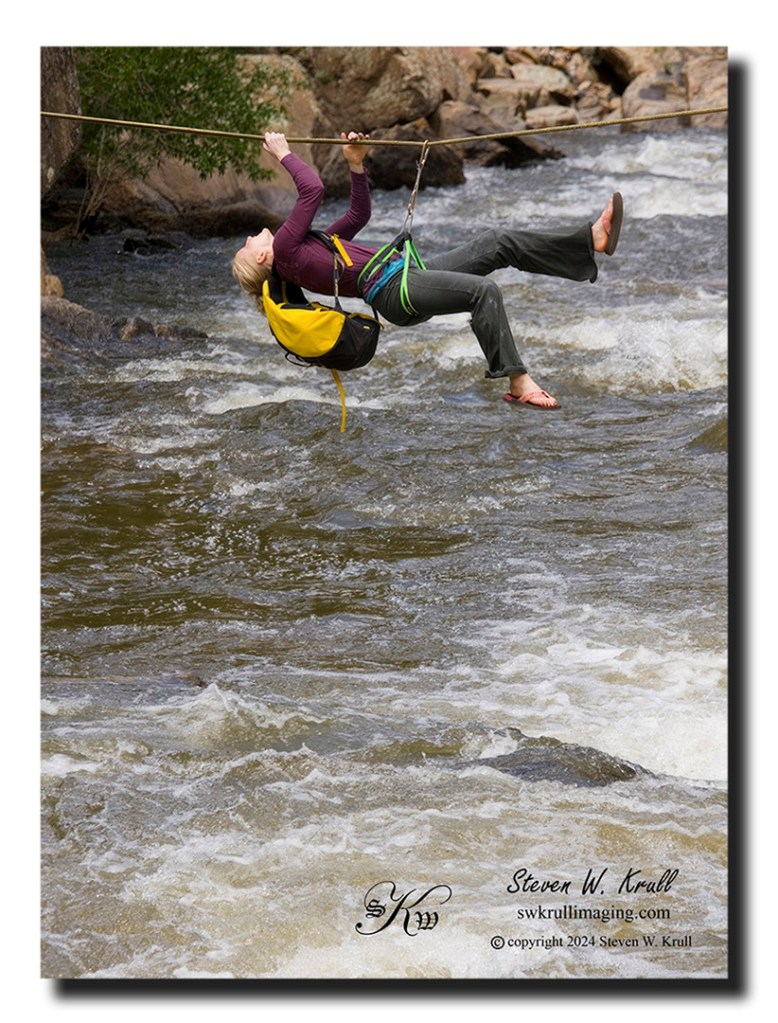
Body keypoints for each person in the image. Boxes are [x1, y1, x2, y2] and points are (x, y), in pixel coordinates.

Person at [232, 131, 623, 409]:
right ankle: (517, 381)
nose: (251, 239)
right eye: (248, 247)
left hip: (406, 277)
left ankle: (591, 241)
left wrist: (356, 165)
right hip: (395, 293)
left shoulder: (304, 250)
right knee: (483, 292)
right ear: (263, 260)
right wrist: (284, 153)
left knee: (498, 241)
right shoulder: (285, 250)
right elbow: (313, 189)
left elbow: (358, 214)